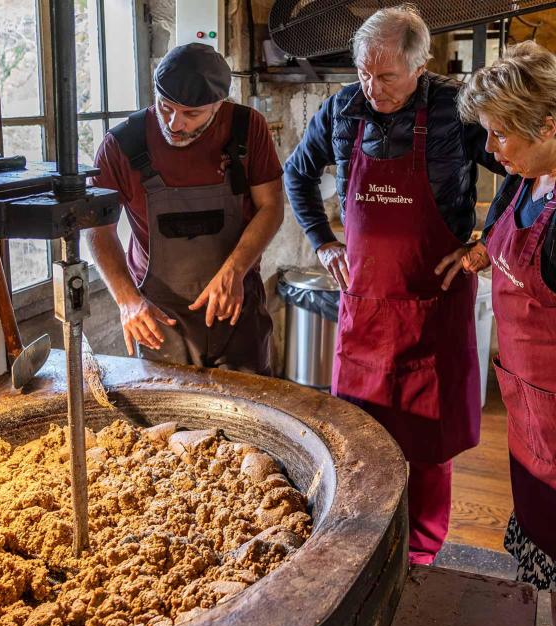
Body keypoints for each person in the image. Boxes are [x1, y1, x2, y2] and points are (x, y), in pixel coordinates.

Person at [284, 3, 504, 565]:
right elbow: (297, 173)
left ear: (419, 65)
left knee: (430, 448)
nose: (371, 87)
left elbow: (525, 169)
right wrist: (323, 240)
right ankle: (361, 545)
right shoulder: (342, 109)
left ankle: (422, 555)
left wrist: (486, 244)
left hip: (433, 307)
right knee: (359, 439)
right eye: (363, 72)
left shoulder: (458, 111)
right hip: (367, 311)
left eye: (385, 77)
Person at [87, 43, 283, 374]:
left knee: (248, 418)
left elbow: (271, 206)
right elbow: (96, 229)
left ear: (219, 104)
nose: (175, 124)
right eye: (166, 108)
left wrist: (234, 271)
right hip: (159, 319)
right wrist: (127, 302)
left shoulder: (248, 129)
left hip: (235, 307)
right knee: (168, 422)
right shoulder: (122, 144)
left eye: (192, 114)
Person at [458, 41, 556, 626]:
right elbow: (508, 235)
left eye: (499, 135)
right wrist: (480, 253)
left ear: (548, 124)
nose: (491, 150)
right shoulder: (529, 177)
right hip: (530, 411)